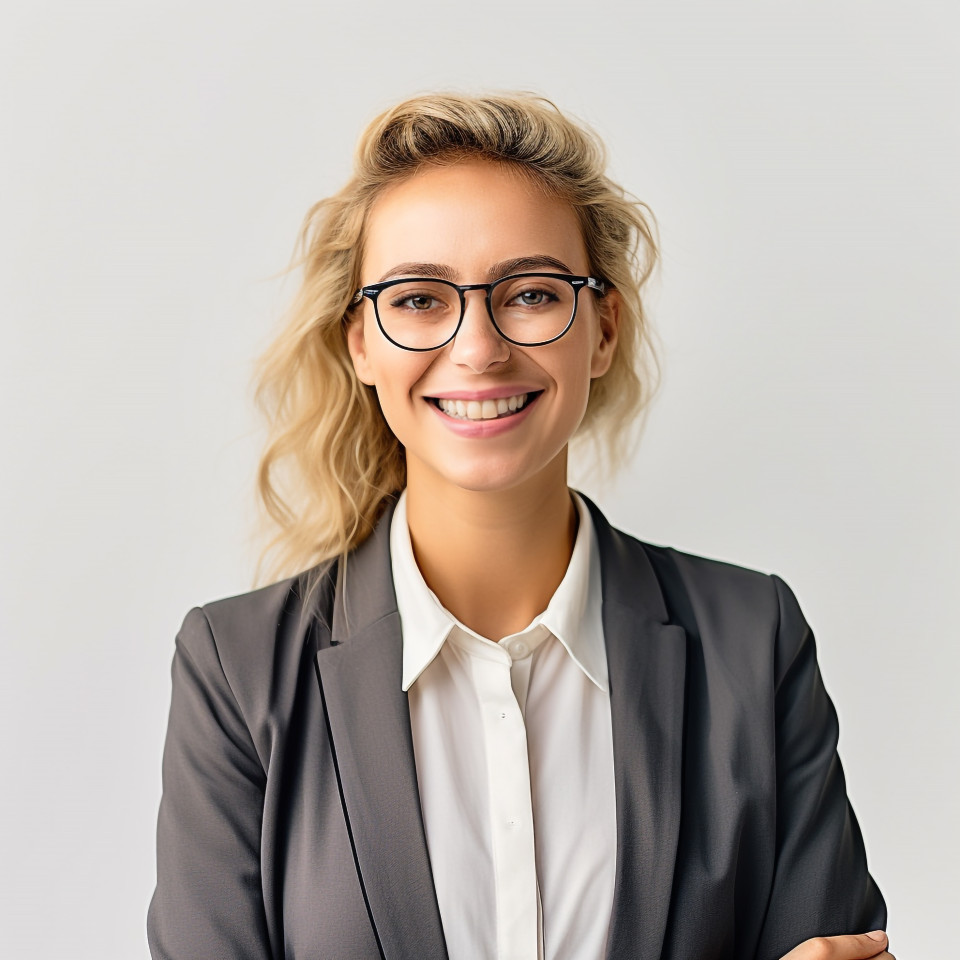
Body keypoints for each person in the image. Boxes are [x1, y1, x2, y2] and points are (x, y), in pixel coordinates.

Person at [147, 93, 892, 960]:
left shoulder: (753, 641)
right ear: (361, 343)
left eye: (532, 292)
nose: (478, 348)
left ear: (603, 329)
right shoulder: (234, 671)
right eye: (420, 299)